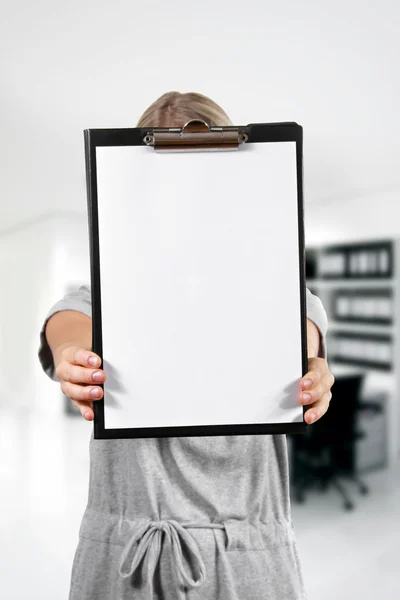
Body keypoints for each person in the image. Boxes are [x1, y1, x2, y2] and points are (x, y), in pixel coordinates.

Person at [38, 92, 334, 600]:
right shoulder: (106, 290)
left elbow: (301, 335)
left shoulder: (283, 292)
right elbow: (69, 321)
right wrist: (71, 357)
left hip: (250, 560)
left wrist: (311, 370)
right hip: (126, 556)